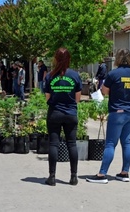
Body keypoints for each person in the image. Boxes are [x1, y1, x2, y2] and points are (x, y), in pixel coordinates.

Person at [86, 48, 130, 184]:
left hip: (117, 112)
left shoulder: (114, 74)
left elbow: (105, 91)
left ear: (118, 58)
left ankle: (102, 174)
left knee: (110, 143)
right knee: (126, 142)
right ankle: (124, 173)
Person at [44, 47, 82, 186]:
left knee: (53, 144)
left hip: (55, 113)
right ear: (69, 59)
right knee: (71, 144)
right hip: (70, 113)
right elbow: (78, 97)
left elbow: (47, 98)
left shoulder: (50, 76)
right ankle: (73, 177)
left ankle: (52, 177)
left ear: (55, 58)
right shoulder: (75, 75)